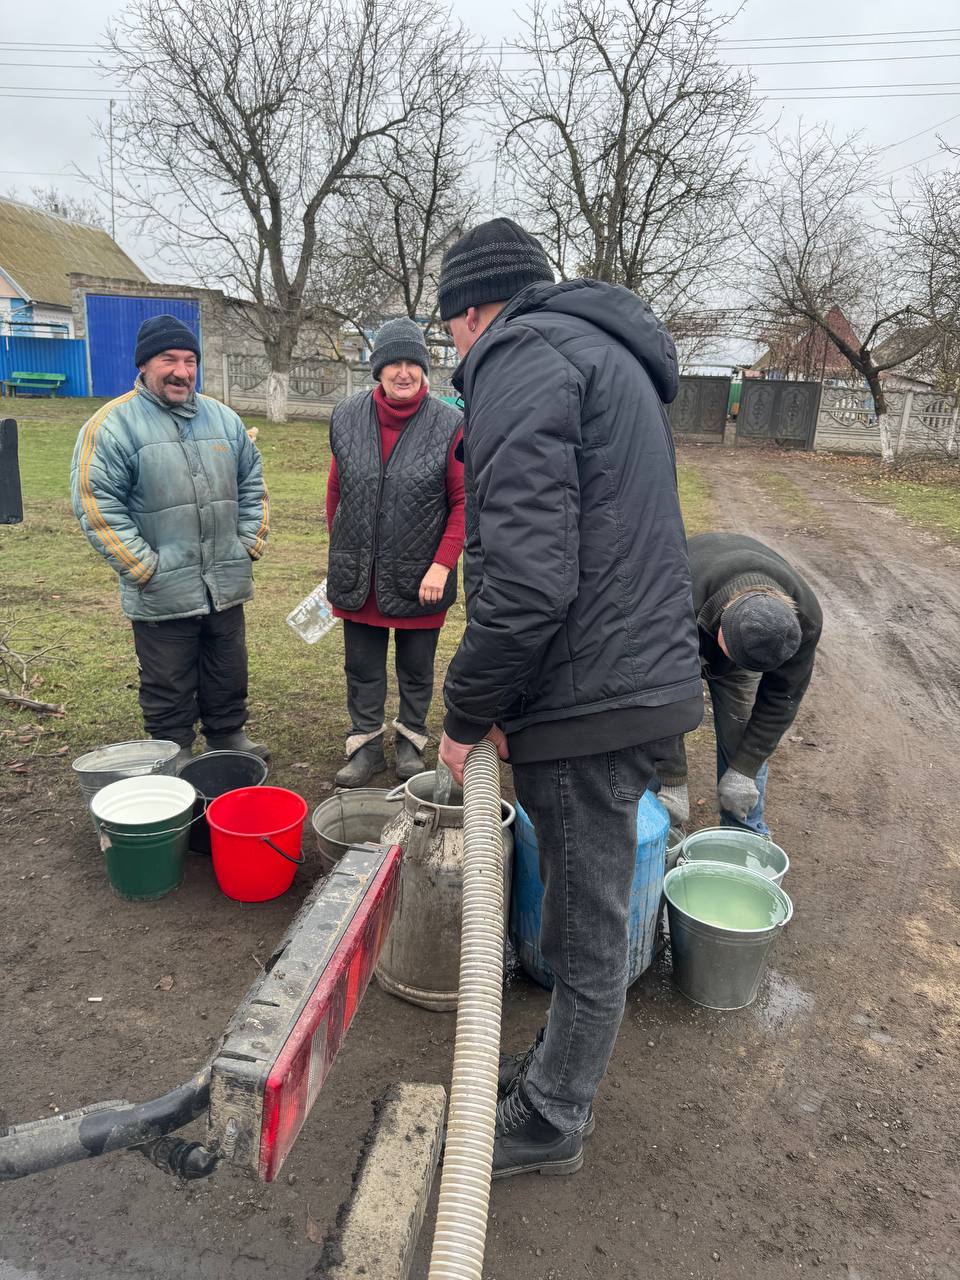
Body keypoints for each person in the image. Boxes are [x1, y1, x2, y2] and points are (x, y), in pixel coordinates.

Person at [435, 218, 703, 1178]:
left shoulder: (521, 359)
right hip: (627, 679)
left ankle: (553, 1120)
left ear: (471, 310)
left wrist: (466, 715)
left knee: (584, 931)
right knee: (573, 915)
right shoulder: (600, 353)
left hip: (593, 698)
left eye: (449, 333)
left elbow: (527, 580)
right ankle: (552, 1069)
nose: (455, 356)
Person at [70, 314, 269, 769]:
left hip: (224, 578)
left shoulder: (225, 420)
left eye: (190, 360)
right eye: (169, 360)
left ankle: (227, 733)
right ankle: (173, 748)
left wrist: (247, 543)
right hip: (160, 586)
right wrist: (144, 567)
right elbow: (97, 506)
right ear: (143, 365)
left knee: (227, 667)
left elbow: (253, 486)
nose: (182, 370)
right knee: (168, 679)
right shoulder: (111, 426)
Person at [326, 317, 464, 786]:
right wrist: (344, 553)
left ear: (425, 370)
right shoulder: (346, 415)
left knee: (415, 668)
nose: (403, 372)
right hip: (359, 574)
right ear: (378, 369)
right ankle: (365, 747)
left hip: (421, 575)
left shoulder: (451, 424)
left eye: (413, 363)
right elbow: (336, 490)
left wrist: (442, 564)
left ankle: (410, 742)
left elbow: (465, 501)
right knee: (361, 667)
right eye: (393, 363)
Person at [656, 532, 823, 835]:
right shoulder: (673, 603)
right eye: (733, 655)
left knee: (741, 734)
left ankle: (743, 831)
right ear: (723, 624)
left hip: (728, 623)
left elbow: (781, 700)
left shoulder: (805, 621)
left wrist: (744, 769)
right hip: (682, 626)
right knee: (661, 738)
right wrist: (672, 777)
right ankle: (662, 822)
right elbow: (659, 699)